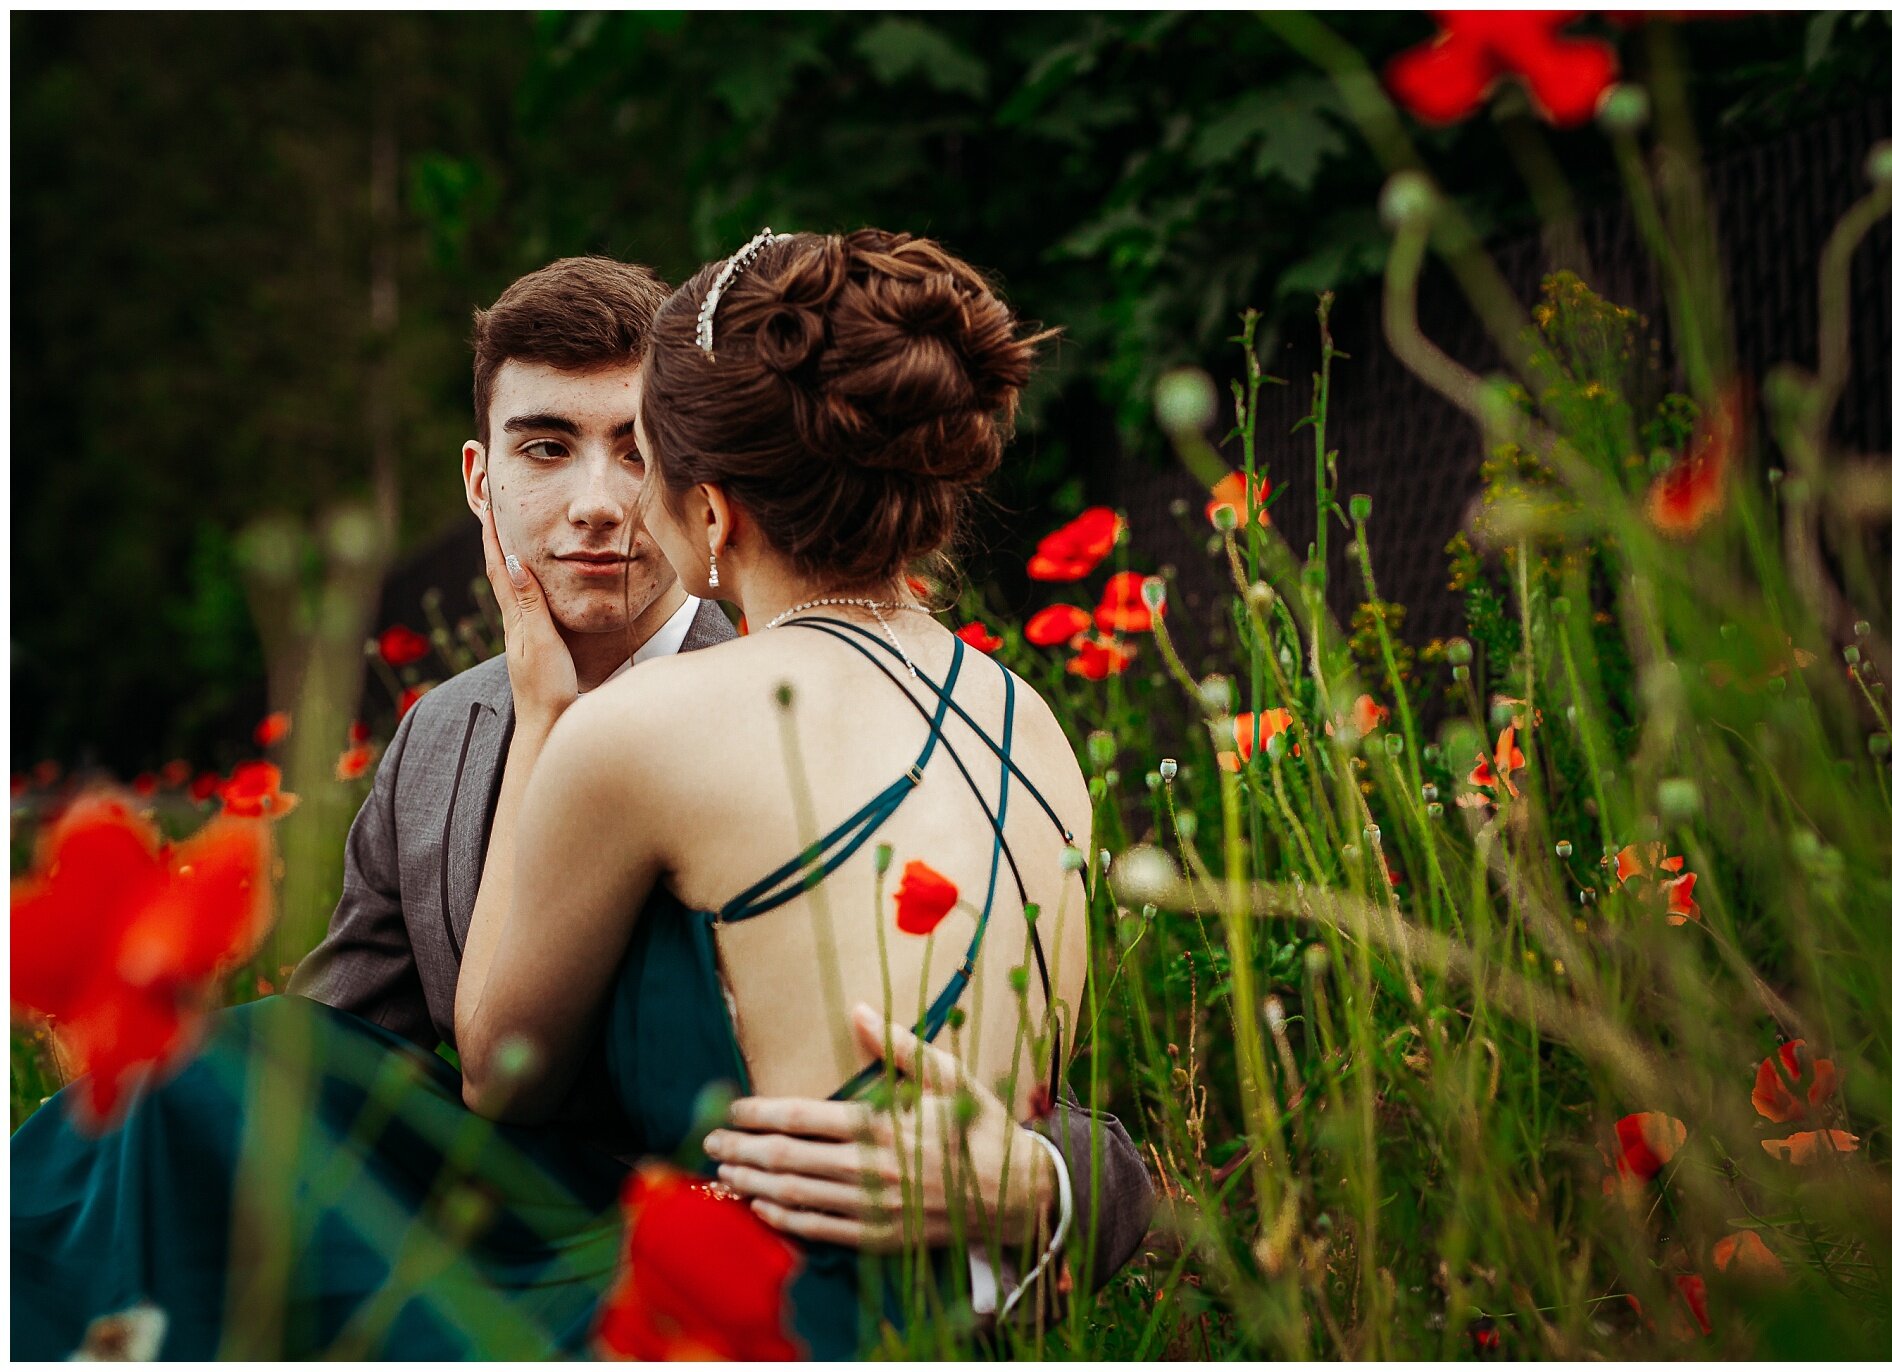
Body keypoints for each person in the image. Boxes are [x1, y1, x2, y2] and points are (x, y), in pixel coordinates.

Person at [10, 242, 1146, 1359]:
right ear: (482, 479)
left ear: (702, 496)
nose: (602, 505)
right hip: (607, 1241)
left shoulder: (688, 717)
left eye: (636, 453)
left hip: (724, 1277)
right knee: (216, 1081)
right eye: (547, 449)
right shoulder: (1016, 717)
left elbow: (1019, 1080)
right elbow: (345, 1051)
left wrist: (1037, 1183)